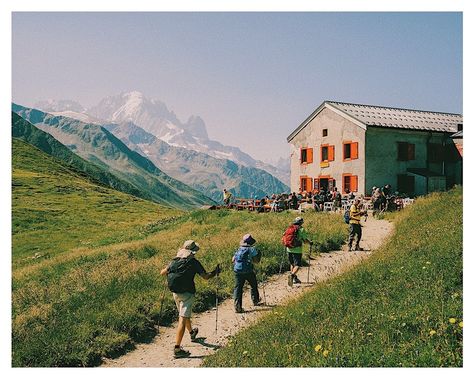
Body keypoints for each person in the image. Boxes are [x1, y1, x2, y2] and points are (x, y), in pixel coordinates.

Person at [160, 240, 220, 358]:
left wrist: (170, 273)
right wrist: (215, 272)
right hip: (187, 293)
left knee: (183, 315)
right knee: (182, 318)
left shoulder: (174, 261)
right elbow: (206, 277)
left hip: (175, 292)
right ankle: (177, 349)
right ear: (193, 251)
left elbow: (162, 272)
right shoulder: (194, 262)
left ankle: (192, 333)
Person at [232, 234, 262, 313]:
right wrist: (259, 255)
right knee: (253, 285)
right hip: (248, 270)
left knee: (238, 289)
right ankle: (255, 301)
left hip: (237, 270)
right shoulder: (251, 249)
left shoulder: (239, 249)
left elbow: (233, 260)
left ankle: (237, 307)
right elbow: (256, 261)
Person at [285, 217, 313, 285]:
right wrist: (310, 243)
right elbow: (305, 240)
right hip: (297, 250)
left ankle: (294, 278)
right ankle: (292, 276)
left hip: (289, 249)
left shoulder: (290, 228)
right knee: (297, 265)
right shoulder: (301, 229)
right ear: (301, 223)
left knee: (292, 264)